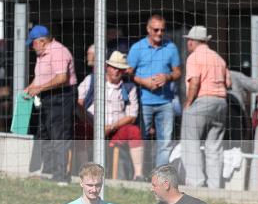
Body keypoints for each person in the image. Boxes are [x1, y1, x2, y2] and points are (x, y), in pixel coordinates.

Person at [77, 51, 144, 180]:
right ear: (107, 67)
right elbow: (79, 103)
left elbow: (132, 116)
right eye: (114, 67)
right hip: (91, 124)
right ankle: (84, 172)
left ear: (124, 71)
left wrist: (111, 127)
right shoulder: (92, 80)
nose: (116, 72)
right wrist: (93, 124)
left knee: (134, 131)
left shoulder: (129, 88)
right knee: (80, 129)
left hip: (116, 129)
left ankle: (139, 174)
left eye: (120, 69)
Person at [128, 14, 182, 168]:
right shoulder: (137, 48)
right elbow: (128, 73)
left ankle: (160, 176)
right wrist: (143, 82)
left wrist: (168, 77)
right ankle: (141, 172)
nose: (159, 33)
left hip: (166, 102)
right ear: (148, 29)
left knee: (165, 142)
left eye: (162, 30)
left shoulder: (171, 47)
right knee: (142, 140)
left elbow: (178, 72)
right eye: (156, 30)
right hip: (144, 102)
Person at [24, 25, 77, 184]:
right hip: (47, 97)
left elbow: (61, 78)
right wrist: (31, 87)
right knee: (45, 134)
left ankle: (61, 177)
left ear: (41, 41)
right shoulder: (42, 54)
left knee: (59, 136)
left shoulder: (58, 51)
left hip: (62, 96)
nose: (32, 48)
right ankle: (48, 173)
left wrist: (39, 88)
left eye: (32, 44)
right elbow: (41, 77)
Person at [181, 25, 231, 189]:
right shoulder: (219, 58)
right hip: (221, 102)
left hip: (202, 101)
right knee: (214, 147)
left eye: (188, 40)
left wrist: (188, 103)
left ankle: (196, 183)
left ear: (192, 42)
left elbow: (195, 82)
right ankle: (214, 186)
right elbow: (228, 83)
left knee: (191, 142)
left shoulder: (194, 57)